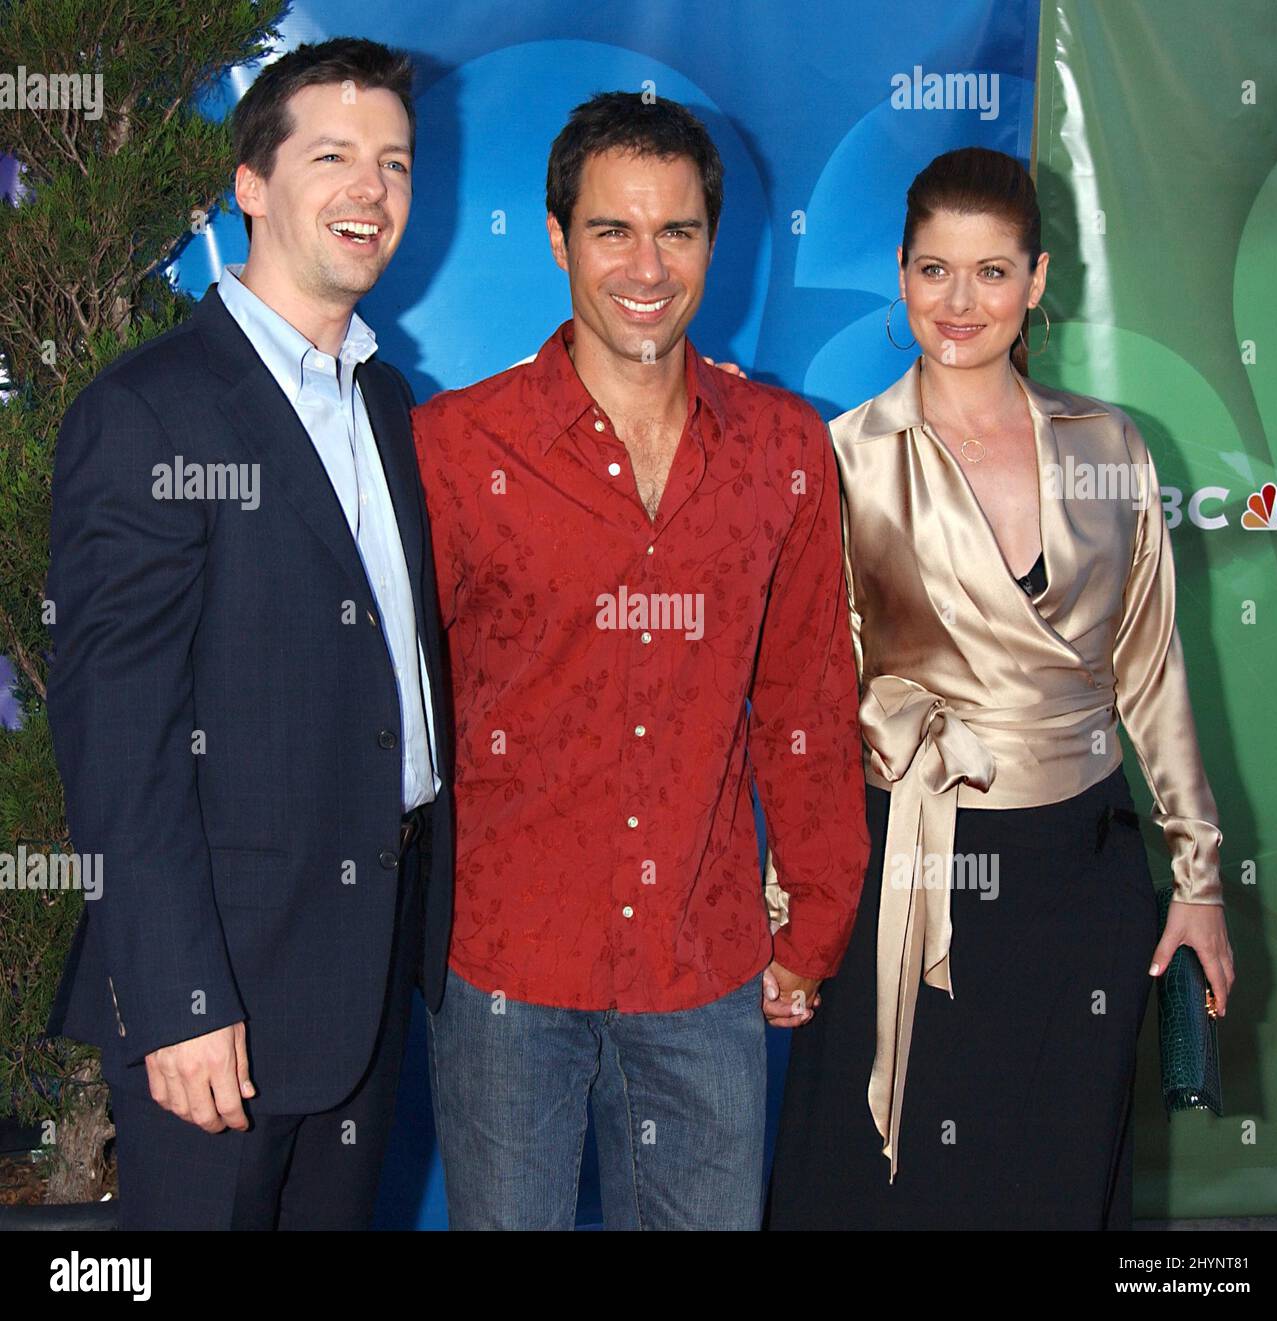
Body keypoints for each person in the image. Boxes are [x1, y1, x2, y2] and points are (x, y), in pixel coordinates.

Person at [410, 92, 869, 1230]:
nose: (646, 265)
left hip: (701, 971)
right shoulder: (457, 450)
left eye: (677, 231)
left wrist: (812, 923)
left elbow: (806, 700)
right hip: (505, 970)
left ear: (716, 242)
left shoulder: (782, 450)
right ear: (559, 238)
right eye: (613, 230)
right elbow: (391, 717)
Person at [766, 146, 1235, 1230]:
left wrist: (1198, 882)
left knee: (1055, 1179)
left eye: (989, 272)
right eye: (934, 269)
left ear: (1035, 280)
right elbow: (811, 708)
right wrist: (790, 917)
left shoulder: (1111, 447)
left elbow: (1151, 674)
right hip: (907, 870)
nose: (959, 301)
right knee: (884, 1186)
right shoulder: (842, 458)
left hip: (1079, 883)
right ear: (899, 272)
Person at [44, 38, 454, 1230]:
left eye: (393, 161)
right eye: (331, 156)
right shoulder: (149, 409)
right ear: (251, 184)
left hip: (363, 974)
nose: (369, 190)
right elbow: (119, 740)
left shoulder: (384, 398)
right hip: (216, 993)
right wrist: (175, 997)